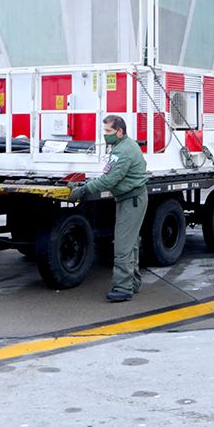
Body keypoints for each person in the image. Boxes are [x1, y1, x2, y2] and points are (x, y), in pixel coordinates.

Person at [67, 115, 148, 302]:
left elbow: (110, 179)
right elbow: (109, 174)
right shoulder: (122, 146)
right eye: (104, 131)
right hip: (131, 198)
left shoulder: (123, 151)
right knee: (131, 243)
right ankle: (133, 283)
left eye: (109, 132)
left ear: (120, 131)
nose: (105, 135)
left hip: (132, 200)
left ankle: (123, 288)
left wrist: (83, 190)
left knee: (123, 245)